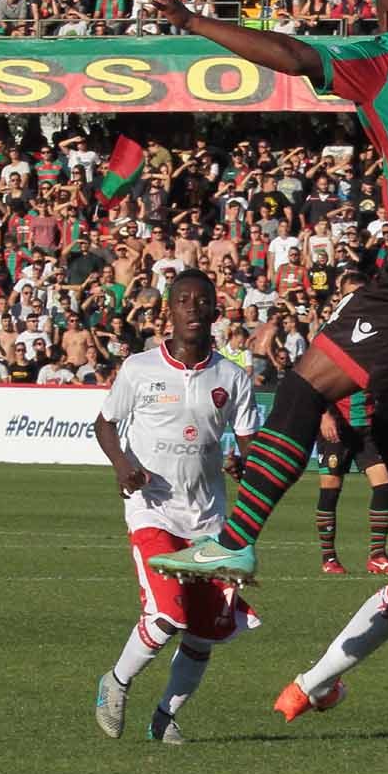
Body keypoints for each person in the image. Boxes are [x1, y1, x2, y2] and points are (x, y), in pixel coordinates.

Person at [138, 0, 388, 610]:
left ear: (384, 12)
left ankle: (235, 538)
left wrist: (187, 20)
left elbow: (293, 54)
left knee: (303, 383)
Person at [92, 271, 260, 745]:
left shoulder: (231, 377)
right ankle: (116, 684)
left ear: (214, 310)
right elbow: (105, 424)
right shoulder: (140, 368)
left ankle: (165, 717)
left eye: (201, 300)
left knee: (205, 633)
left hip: (208, 522)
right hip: (153, 510)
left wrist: (247, 463)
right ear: (169, 309)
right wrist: (122, 465)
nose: (192, 308)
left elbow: (251, 442)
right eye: (183, 300)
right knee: (168, 614)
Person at [308, 273, 388, 578]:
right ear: (340, 297)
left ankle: (377, 555)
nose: (356, 301)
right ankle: (328, 557)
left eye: (360, 295)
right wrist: (323, 414)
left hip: (367, 424)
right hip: (337, 423)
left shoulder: (381, 331)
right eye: (350, 295)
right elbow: (312, 379)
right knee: (331, 487)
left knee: (383, 483)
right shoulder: (331, 334)